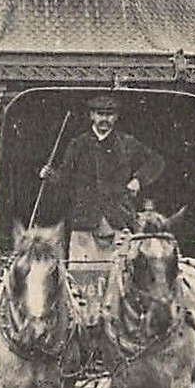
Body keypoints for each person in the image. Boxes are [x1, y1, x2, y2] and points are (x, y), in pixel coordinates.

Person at [40, 93, 164, 266]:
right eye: (100, 114)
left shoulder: (127, 144)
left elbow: (156, 162)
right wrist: (50, 175)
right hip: (84, 224)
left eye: (109, 114)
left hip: (118, 222)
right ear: (92, 116)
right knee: (81, 275)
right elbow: (65, 178)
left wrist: (138, 180)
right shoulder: (78, 145)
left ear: (116, 117)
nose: (104, 119)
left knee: (120, 275)